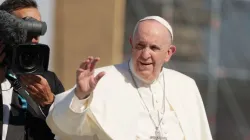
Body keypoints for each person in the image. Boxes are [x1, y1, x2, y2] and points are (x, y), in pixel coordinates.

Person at [46, 16, 212, 140]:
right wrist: (80, 96)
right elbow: (63, 129)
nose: (145, 55)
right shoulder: (101, 81)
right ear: (132, 44)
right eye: (140, 46)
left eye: (154, 48)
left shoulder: (185, 86)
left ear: (169, 53)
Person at [0, 0, 65, 140]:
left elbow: (69, 130)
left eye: (39, 28)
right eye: (26, 28)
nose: (34, 37)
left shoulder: (48, 82)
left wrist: (50, 103)